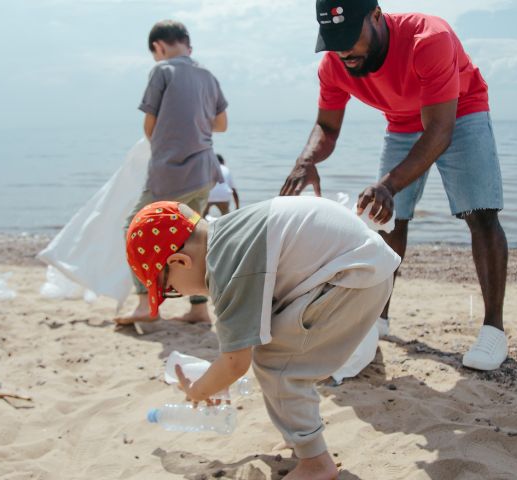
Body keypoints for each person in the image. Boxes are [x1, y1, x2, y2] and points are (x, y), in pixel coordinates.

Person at [280, 0, 509, 371]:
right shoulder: (335, 65)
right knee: (386, 218)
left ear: (376, 16)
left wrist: (388, 183)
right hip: (402, 123)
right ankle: (379, 317)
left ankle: (493, 330)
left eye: (349, 37)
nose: (342, 51)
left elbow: (439, 131)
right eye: (332, 41)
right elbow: (328, 126)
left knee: (480, 213)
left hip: (459, 111)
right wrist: (306, 161)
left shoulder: (428, 39)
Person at [126, 197, 400, 480]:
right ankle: (300, 438)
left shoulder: (224, 265)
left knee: (278, 364)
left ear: (180, 261)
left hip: (352, 277)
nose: (177, 294)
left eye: (170, 289)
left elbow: (235, 362)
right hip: (362, 266)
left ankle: (316, 463)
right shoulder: (229, 234)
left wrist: (199, 391)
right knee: (276, 352)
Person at [116, 19, 228, 326]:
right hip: (204, 171)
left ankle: (143, 303)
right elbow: (221, 124)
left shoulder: (162, 71)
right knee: (195, 237)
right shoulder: (207, 75)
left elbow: (149, 126)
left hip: (171, 171)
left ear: (159, 46)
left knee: (134, 229)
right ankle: (199, 308)